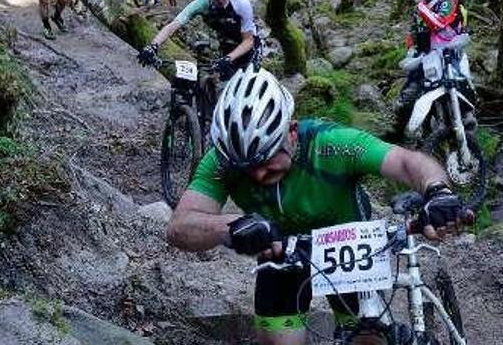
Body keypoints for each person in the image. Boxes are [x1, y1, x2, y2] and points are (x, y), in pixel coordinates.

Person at [166, 67, 472, 345]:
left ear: (292, 131)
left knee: (368, 341)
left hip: (352, 250)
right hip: (281, 252)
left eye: (267, 159)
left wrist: (438, 190)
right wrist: (230, 227)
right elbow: (180, 227)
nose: (258, 174)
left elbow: (406, 162)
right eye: (246, 167)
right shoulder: (222, 160)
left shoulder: (331, 143)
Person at [137, 0, 258, 80]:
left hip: (247, 46)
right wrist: (153, 46)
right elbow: (173, 26)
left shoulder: (241, 4)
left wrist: (228, 58)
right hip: (226, 45)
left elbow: (248, 41)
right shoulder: (202, 3)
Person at [395, 0, 469, 133]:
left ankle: (468, 131)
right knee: (407, 97)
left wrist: (421, 7)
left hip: (450, 56)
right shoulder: (420, 9)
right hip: (426, 56)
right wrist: (411, 50)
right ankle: (397, 132)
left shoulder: (448, 1)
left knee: (464, 91)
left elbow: (438, 23)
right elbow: (414, 31)